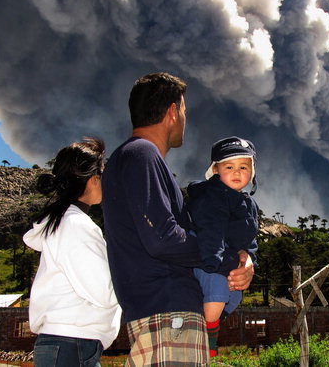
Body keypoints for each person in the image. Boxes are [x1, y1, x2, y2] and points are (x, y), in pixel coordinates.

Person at [101, 72, 254, 366]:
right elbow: (164, 239)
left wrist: (240, 259)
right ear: (173, 112)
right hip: (169, 315)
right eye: (184, 111)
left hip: (162, 312)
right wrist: (228, 261)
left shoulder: (131, 158)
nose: (185, 119)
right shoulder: (141, 154)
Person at [24, 137, 121, 367]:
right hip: (72, 344)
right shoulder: (76, 225)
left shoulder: (65, 223)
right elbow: (104, 291)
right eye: (102, 172)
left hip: (67, 344)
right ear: (92, 180)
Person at [186, 136, 259, 357]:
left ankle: (210, 322)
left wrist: (249, 259)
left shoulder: (248, 204)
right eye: (229, 166)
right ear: (215, 170)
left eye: (243, 167)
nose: (237, 172)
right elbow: (211, 232)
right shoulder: (211, 196)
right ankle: (207, 339)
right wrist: (216, 264)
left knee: (234, 296)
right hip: (209, 258)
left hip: (225, 260)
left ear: (252, 172)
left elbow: (251, 241)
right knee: (218, 291)